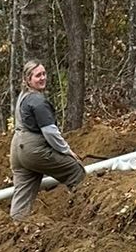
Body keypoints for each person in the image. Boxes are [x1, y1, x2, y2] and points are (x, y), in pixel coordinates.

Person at [10, 62, 85, 224]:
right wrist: (67, 151)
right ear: (28, 79)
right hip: (33, 150)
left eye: (44, 73)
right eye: (38, 75)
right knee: (75, 170)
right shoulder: (38, 101)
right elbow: (50, 133)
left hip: (17, 149)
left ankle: (16, 229)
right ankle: (86, 213)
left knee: (22, 192)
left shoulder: (23, 96)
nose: (43, 78)